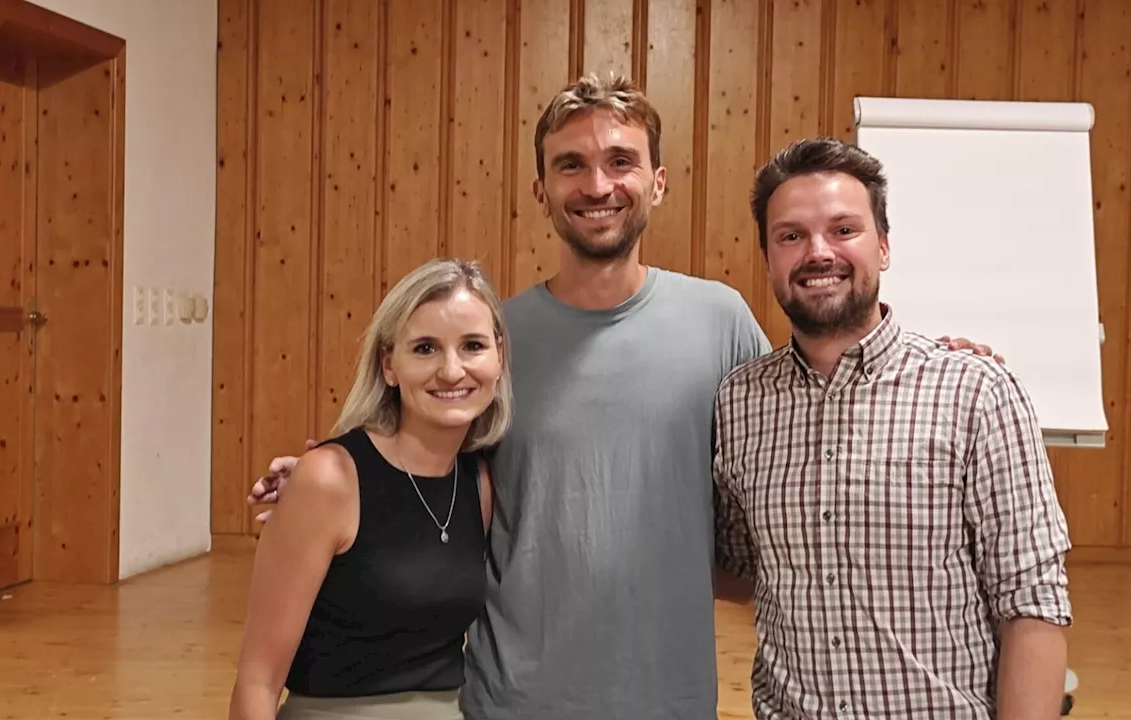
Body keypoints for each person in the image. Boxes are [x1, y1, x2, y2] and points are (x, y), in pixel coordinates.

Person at [248, 75, 1001, 720]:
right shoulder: (493, 344)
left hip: (670, 698)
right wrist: (318, 478)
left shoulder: (721, 321)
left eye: (620, 161)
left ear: (659, 181)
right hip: (512, 700)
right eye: (570, 165)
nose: (598, 185)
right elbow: (416, 464)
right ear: (541, 189)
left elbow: (810, 422)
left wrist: (939, 360)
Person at [712, 137, 1073, 719]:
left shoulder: (975, 394)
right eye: (791, 235)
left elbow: (1032, 602)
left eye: (843, 230)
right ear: (769, 258)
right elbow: (744, 567)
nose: (818, 252)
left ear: (883, 246)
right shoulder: (740, 402)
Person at [228, 258, 512, 720]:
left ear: (498, 356)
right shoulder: (329, 480)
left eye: (473, 346)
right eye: (425, 348)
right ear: (389, 365)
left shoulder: (477, 481)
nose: (452, 370)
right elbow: (257, 681)